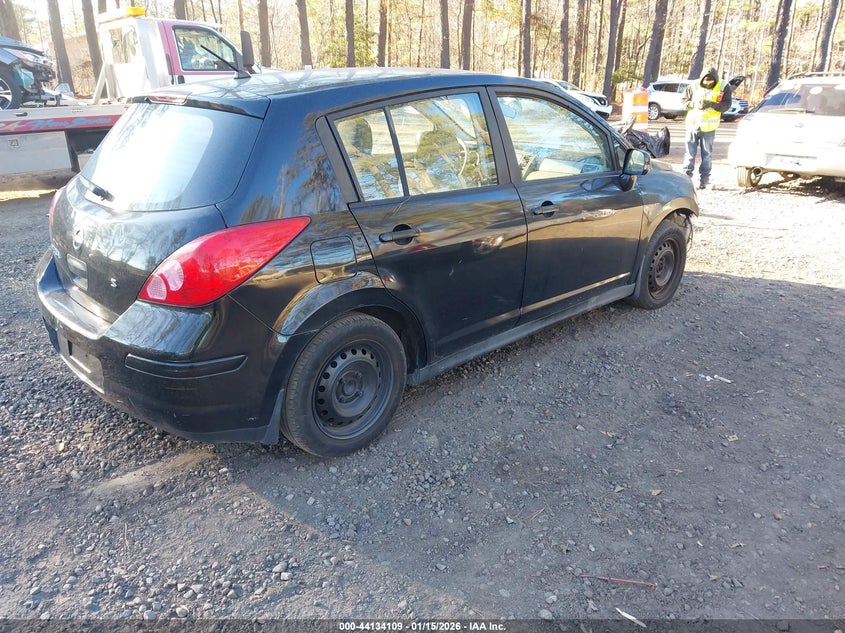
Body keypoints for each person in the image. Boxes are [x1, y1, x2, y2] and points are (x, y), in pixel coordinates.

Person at [682, 67, 732, 189]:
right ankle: (685, 179)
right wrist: (694, 104)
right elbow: (684, 102)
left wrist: (712, 104)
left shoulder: (723, 86)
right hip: (693, 125)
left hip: (709, 127)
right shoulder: (693, 85)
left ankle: (704, 180)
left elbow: (727, 105)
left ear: (715, 80)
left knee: (707, 155)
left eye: (710, 82)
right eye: (705, 82)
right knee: (689, 154)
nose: (708, 84)